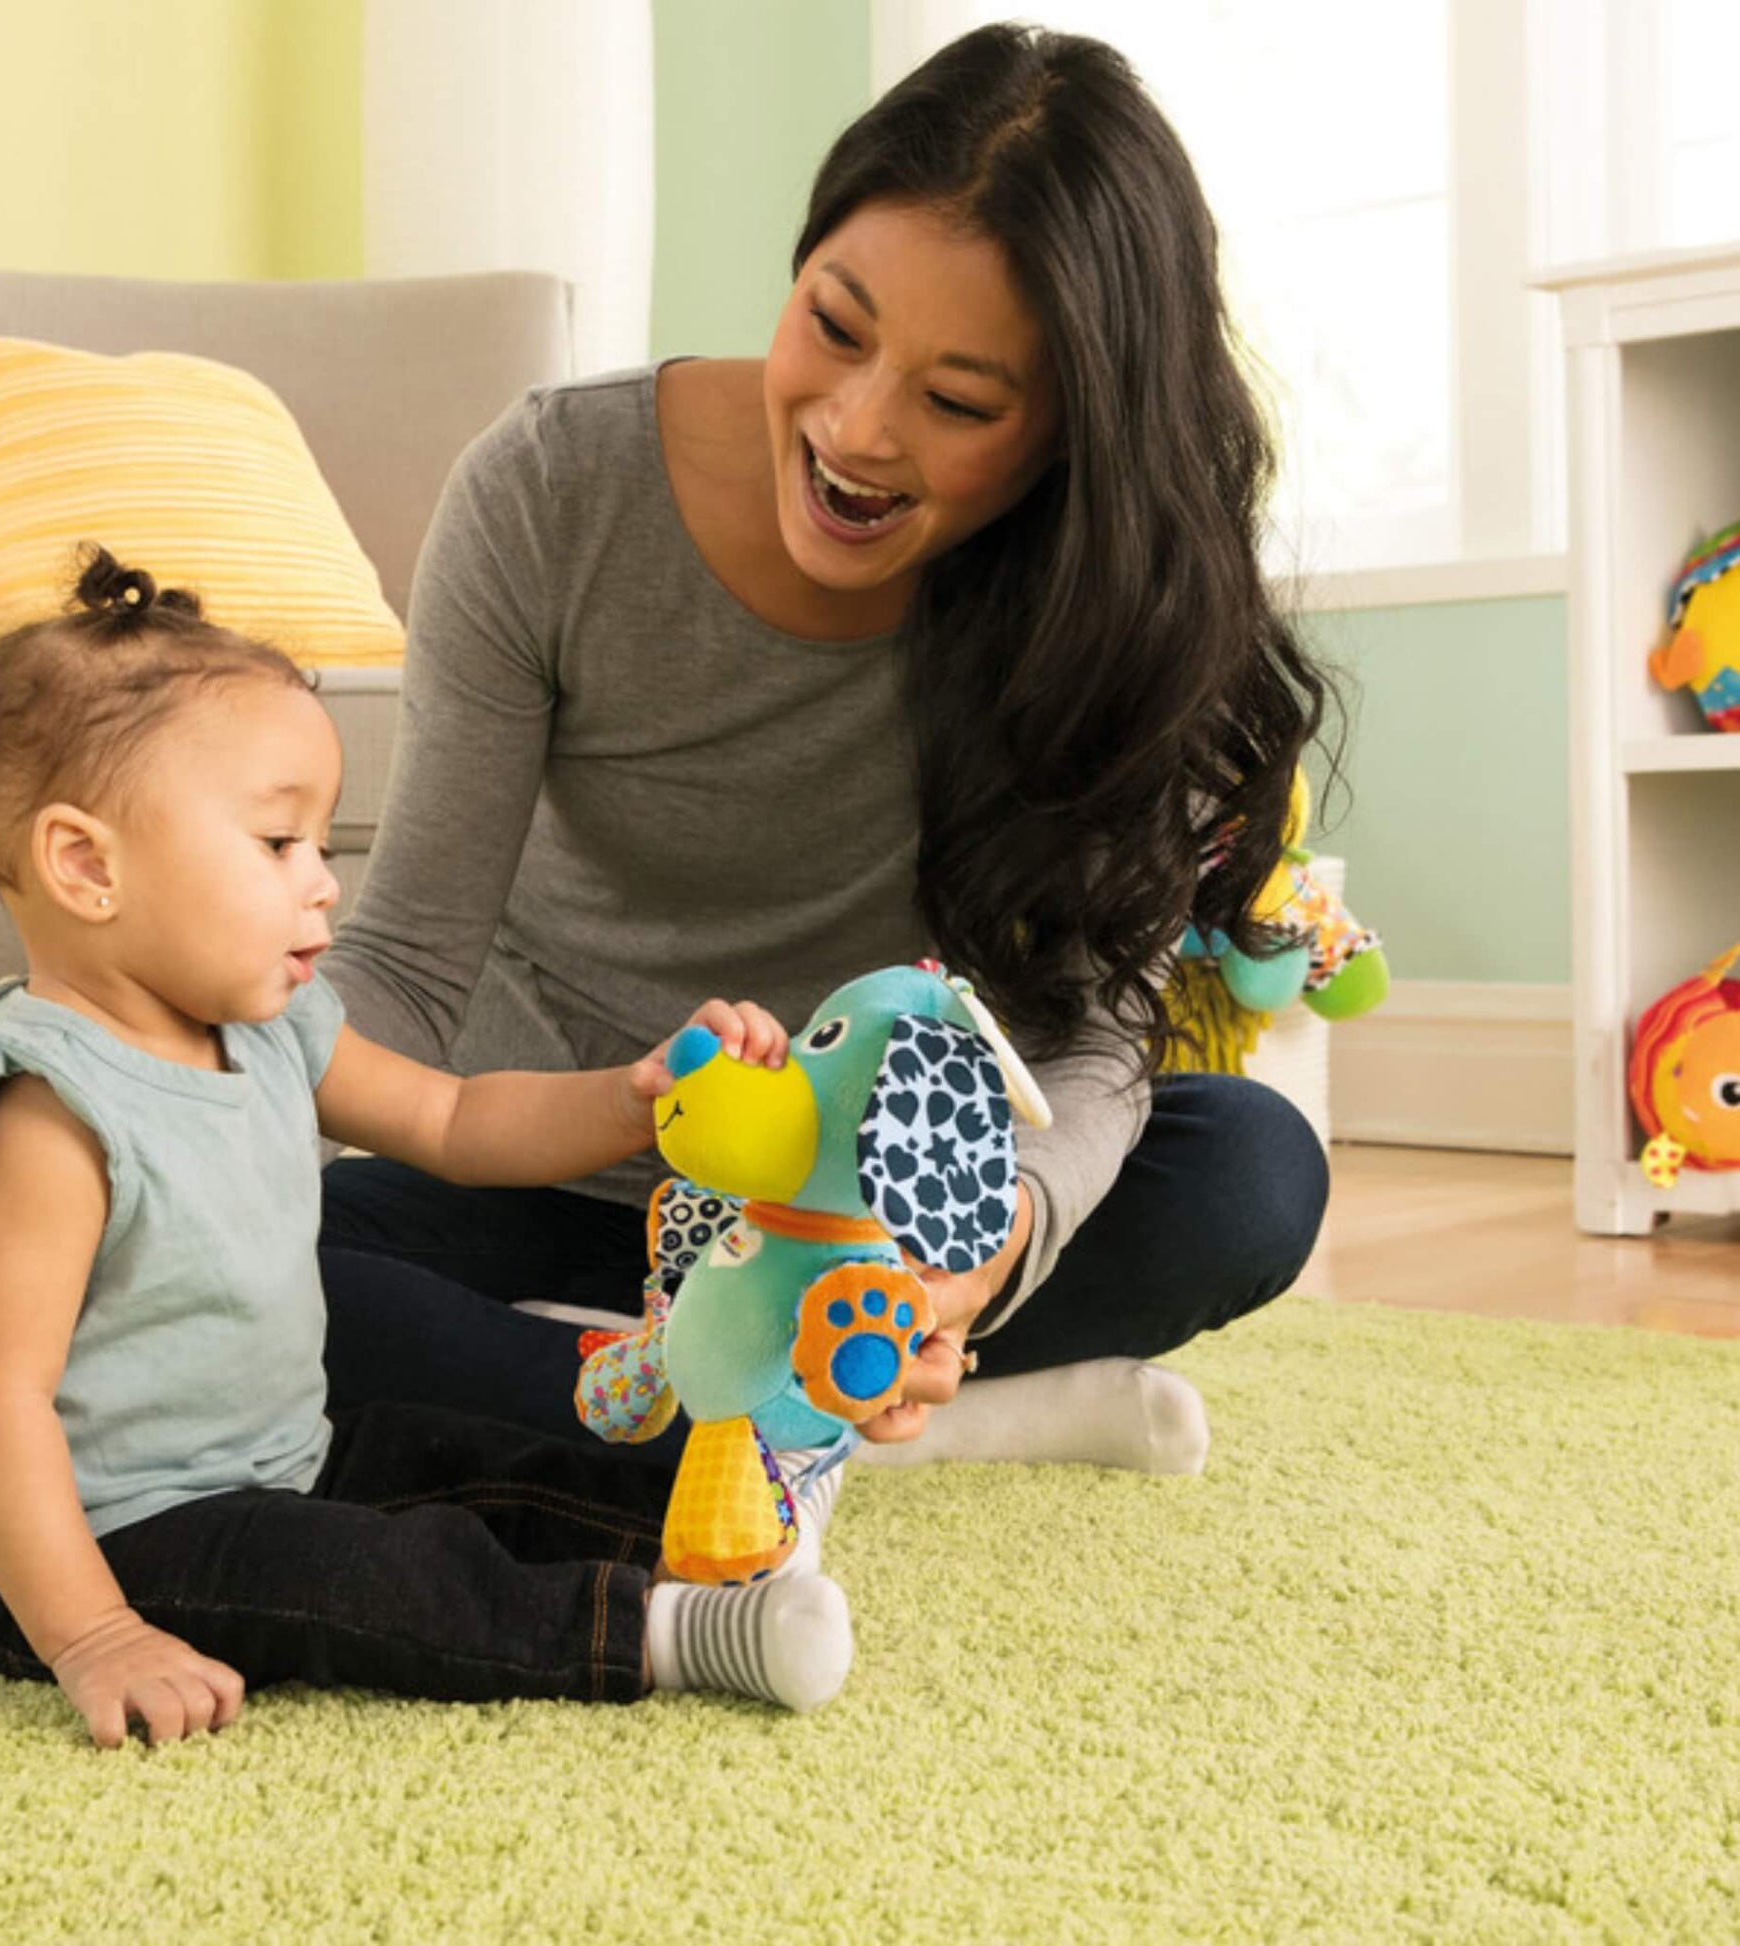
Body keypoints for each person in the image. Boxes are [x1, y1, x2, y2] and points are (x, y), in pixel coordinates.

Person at [317, 21, 1335, 1470]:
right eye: (833, 325)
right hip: (544, 1175)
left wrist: (985, 1251)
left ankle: (651, 1397)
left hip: (889, 1226)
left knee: (1248, 1167)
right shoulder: (552, 491)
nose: (855, 429)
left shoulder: (1119, 601)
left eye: (958, 400)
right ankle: (849, 1418)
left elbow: (1094, 1039)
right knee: (224, 1253)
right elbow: (407, 967)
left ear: (1071, 434)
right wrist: (175, 1098)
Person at [0, 549, 859, 1750]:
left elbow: (451, 1122)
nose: (324, 886)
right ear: (87, 866)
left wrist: (634, 1095)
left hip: (283, 1455)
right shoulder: (52, 1114)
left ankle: (710, 1523)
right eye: (278, 844)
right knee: (378, 1574)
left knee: (483, 1458)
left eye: (321, 848)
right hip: (101, 1538)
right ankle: (661, 1632)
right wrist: (90, 1631)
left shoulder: (269, 1025)